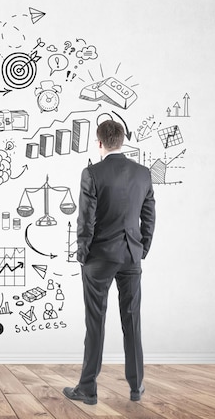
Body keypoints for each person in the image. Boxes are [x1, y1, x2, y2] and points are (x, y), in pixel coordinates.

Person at [63, 119, 156, 406]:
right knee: (132, 322)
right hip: (131, 256)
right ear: (123, 140)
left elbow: (86, 219)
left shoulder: (91, 173)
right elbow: (149, 215)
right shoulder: (143, 174)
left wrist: (82, 254)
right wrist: (142, 249)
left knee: (95, 323)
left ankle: (88, 389)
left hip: (99, 258)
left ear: (99, 142)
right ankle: (136, 388)